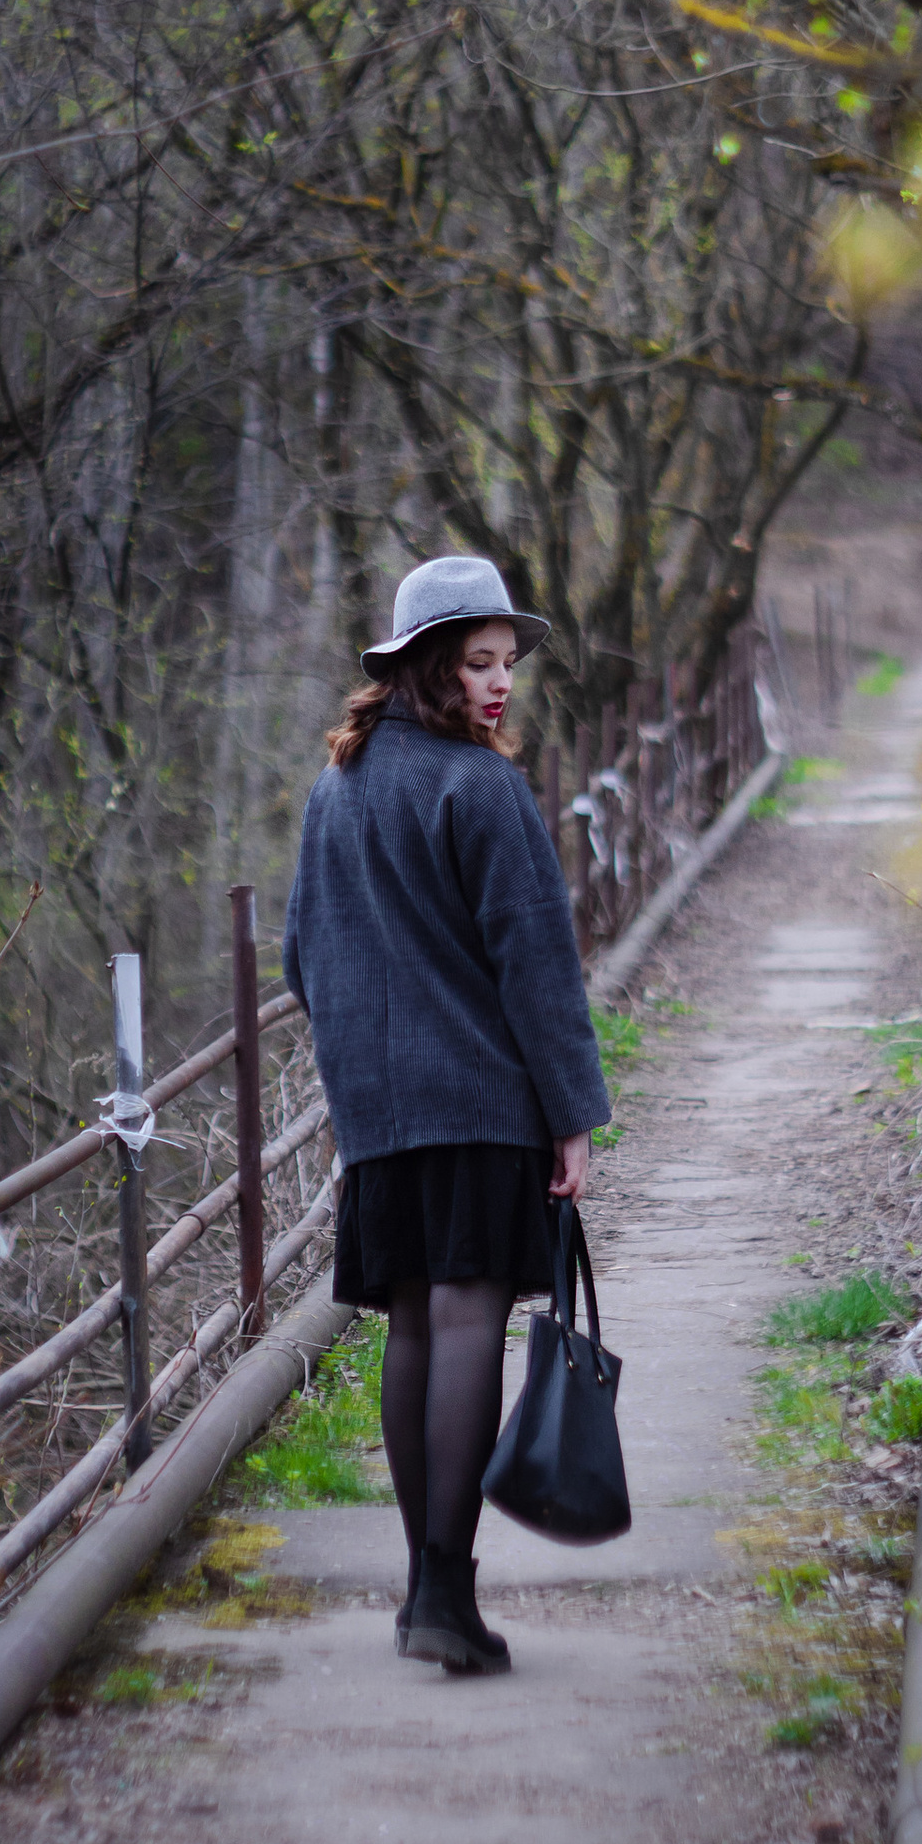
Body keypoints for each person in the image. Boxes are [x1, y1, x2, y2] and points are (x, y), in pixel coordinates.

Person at [281, 553, 610, 1675]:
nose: (499, 684)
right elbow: (538, 969)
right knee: (466, 1324)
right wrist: (569, 1114)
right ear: (427, 665)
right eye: (478, 663)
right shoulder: (481, 790)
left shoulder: (339, 790)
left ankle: (427, 1592)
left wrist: (363, 1062)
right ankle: (440, 1598)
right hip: (476, 1101)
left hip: (376, 1110)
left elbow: (299, 958)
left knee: (414, 1329)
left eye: (505, 663)